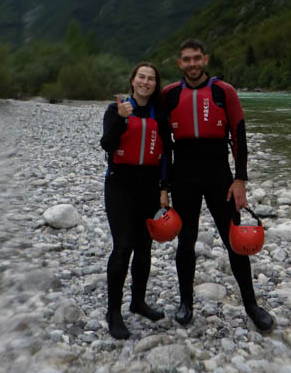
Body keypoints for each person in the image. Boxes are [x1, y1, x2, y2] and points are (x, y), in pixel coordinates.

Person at [162, 38, 274, 332]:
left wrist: (240, 179)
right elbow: (160, 140)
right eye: (186, 59)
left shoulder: (224, 92)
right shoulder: (170, 95)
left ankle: (251, 304)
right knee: (185, 240)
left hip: (218, 175)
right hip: (183, 174)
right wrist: (162, 184)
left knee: (234, 240)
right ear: (179, 63)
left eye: (196, 58)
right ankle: (186, 302)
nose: (192, 64)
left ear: (206, 59)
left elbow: (239, 136)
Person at [101, 62, 172, 340]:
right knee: (123, 246)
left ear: (156, 84)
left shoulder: (159, 114)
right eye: (141, 77)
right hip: (119, 186)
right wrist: (120, 118)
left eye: (151, 78)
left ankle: (138, 302)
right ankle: (113, 312)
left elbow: (166, 154)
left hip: (149, 188)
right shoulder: (115, 109)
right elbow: (107, 144)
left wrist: (165, 188)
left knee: (144, 246)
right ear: (132, 81)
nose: (145, 82)